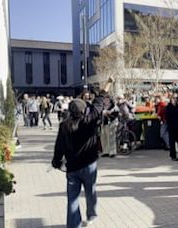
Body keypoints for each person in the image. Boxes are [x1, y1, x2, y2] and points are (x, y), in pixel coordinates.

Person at [52, 76, 114, 228]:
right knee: (90, 190)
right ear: (82, 111)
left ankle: (74, 225)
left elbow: (59, 145)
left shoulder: (64, 126)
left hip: (72, 167)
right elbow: (98, 102)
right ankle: (91, 213)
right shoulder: (89, 121)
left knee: (72, 198)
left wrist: (56, 161)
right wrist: (108, 84)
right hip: (88, 164)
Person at [166, 94, 178, 161]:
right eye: (174, 98)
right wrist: (171, 125)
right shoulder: (168, 107)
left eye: (176, 98)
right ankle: (173, 156)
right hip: (172, 128)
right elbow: (167, 118)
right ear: (171, 99)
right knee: (172, 143)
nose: (175, 99)